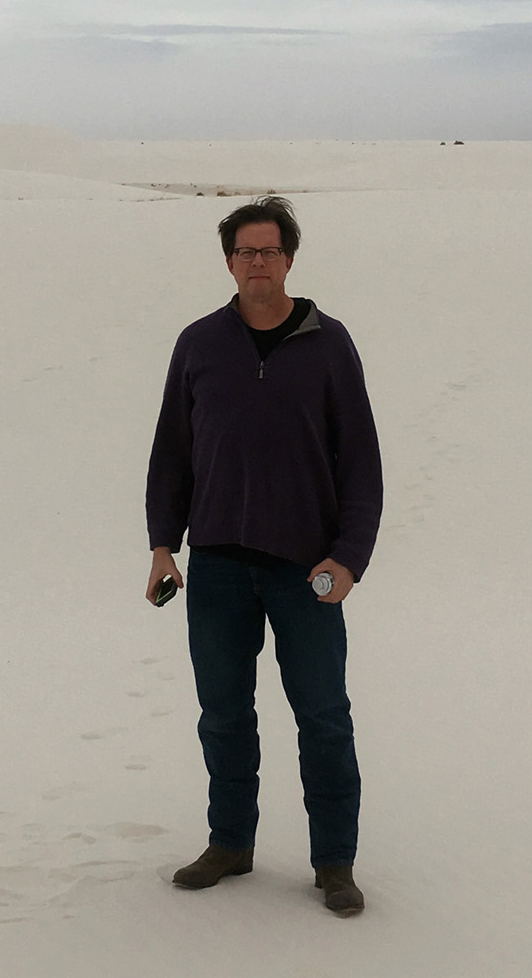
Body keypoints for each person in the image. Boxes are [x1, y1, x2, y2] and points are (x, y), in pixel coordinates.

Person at [145, 196, 382, 916]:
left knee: (324, 716)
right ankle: (230, 844)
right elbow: (172, 453)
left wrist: (349, 558)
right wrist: (163, 545)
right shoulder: (199, 343)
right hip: (217, 565)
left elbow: (361, 462)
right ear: (229, 262)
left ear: (289, 260)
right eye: (245, 251)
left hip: (305, 569)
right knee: (223, 714)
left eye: (269, 251)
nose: (258, 263)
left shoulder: (329, 344)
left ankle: (334, 862)